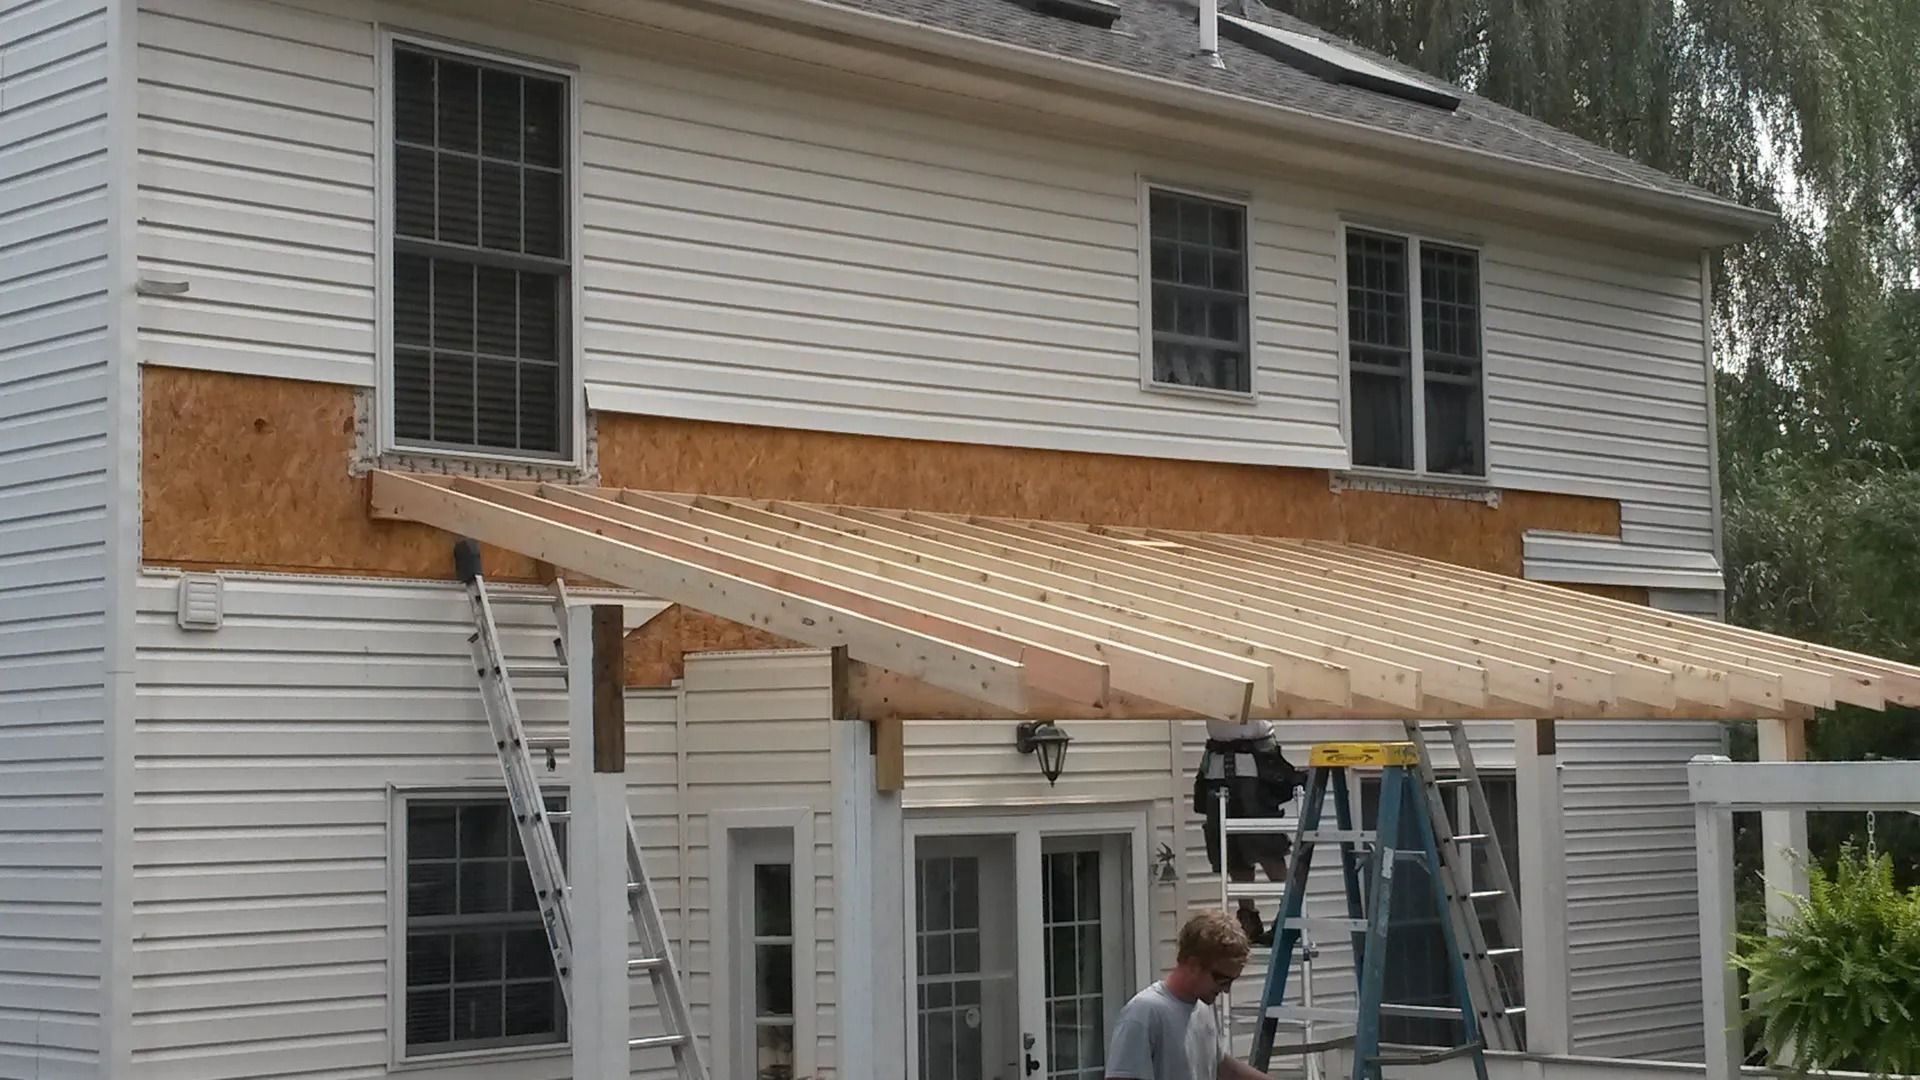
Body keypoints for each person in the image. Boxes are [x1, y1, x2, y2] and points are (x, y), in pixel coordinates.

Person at [1105, 910, 1271, 1080]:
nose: (1226, 990)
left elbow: (1219, 1065)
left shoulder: (1204, 1005)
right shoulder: (1144, 1013)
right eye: (1222, 980)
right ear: (1193, 965)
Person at [1194, 719, 1303, 946]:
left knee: (1266, 845)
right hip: (1217, 767)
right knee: (1233, 850)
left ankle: (1290, 915)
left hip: (1254, 766)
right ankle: (1248, 920)